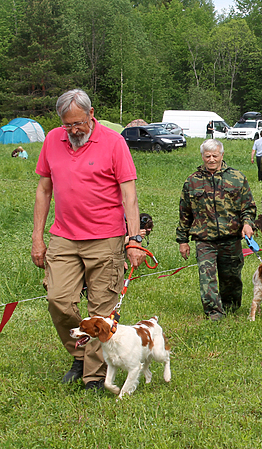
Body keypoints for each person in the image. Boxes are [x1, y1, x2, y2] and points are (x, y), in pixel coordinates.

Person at [31, 89, 146, 391]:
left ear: (91, 114)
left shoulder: (113, 142)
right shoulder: (52, 141)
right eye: (67, 125)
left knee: (101, 309)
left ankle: (93, 377)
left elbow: (129, 194)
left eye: (79, 123)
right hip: (64, 236)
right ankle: (81, 353)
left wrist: (133, 239)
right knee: (58, 300)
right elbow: (44, 190)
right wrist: (37, 237)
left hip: (106, 238)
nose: (73, 130)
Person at [177, 139, 256, 321]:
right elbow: (184, 213)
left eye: (215, 155)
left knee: (231, 278)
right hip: (205, 240)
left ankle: (230, 306)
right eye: (207, 156)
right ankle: (214, 312)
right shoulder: (192, 181)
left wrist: (247, 223)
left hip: (231, 238)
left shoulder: (237, 178)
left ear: (222, 155)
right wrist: (182, 240)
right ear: (202, 157)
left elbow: (248, 206)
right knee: (207, 278)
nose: (211, 159)